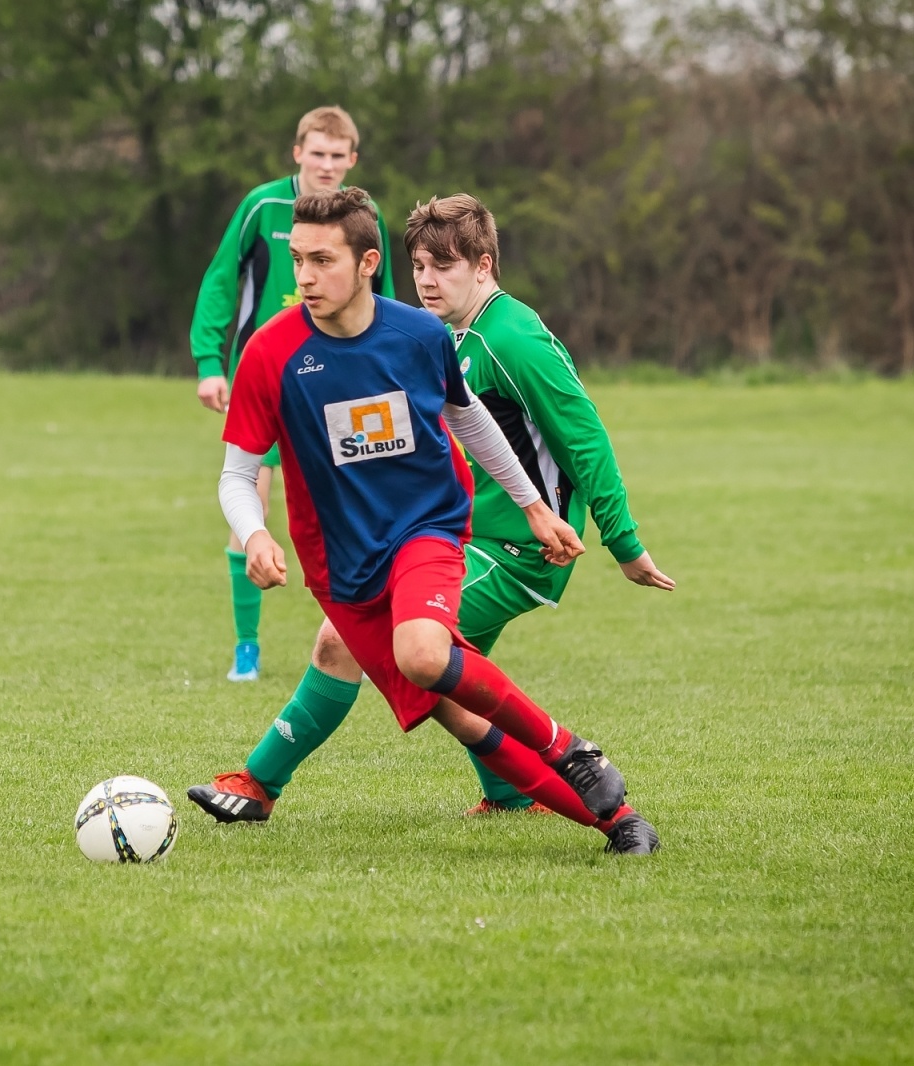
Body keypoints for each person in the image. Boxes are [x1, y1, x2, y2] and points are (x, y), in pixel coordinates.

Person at [190, 193, 670, 842]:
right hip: (384, 552)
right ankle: (574, 807)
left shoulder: (508, 337)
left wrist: (619, 540)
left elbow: (583, 441)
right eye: (420, 265)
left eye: (442, 266)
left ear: (484, 265)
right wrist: (256, 531)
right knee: (447, 692)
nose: (427, 280)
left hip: (507, 549)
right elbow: (247, 469)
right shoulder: (424, 337)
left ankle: (260, 783)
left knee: (399, 654)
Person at [190, 106, 394, 680]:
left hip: (339, 383)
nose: (326, 165)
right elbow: (220, 281)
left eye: (338, 156)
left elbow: (386, 294)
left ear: (352, 160)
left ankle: (362, 635)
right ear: (297, 152)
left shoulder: (363, 214)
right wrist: (210, 362)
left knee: (355, 505)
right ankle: (246, 650)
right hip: (266, 378)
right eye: (317, 153)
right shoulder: (261, 206)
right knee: (248, 500)